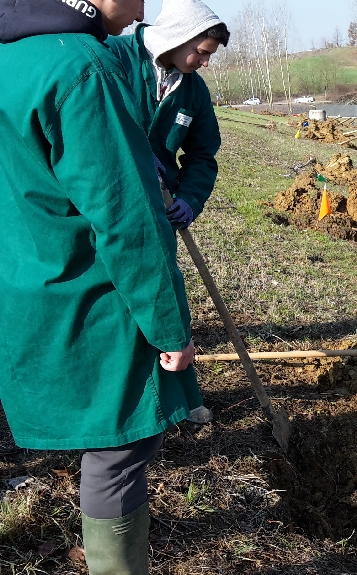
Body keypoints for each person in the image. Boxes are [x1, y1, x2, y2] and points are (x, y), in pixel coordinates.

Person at [0, 1, 202, 574]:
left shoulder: (11, 57)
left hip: (23, 282)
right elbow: (127, 219)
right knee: (120, 448)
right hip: (88, 297)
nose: (144, 5)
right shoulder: (82, 68)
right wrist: (170, 327)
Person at [107, 0, 228, 425]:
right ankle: (129, 405)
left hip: (160, 211)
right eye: (203, 51)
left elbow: (203, 155)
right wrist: (138, 153)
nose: (205, 62)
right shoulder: (113, 57)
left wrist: (189, 199)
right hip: (110, 205)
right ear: (179, 35)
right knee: (119, 302)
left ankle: (182, 398)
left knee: (167, 296)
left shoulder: (193, 90)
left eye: (210, 55)